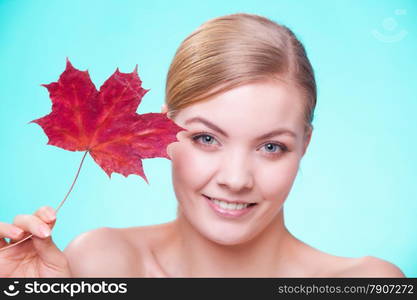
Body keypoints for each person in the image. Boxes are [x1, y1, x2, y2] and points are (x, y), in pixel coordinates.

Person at [0, 13, 405, 278]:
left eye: (271, 147)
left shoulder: (366, 282)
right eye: (206, 138)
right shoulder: (103, 261)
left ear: (305, 144)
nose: (235, 179)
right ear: (161, 130)